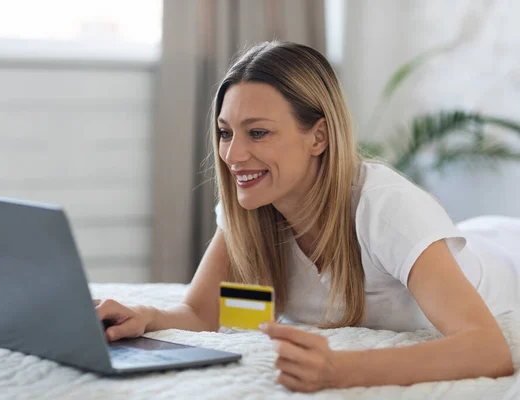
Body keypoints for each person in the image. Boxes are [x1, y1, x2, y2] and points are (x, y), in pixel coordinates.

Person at [94, 41, 518, 392]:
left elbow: (489, 351)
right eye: (226, 132)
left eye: (257, 132)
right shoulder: (252, 210)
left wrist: (340, 370)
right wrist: (145, 315)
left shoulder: (384, 206)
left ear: (318, 136)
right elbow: (202, 314)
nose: (232, 155)